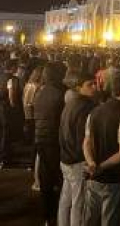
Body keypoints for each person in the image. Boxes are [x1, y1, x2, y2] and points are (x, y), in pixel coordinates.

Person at [83, 74, 120, 226]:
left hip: (93, 175)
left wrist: (92, 164)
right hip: (115, 177)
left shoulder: (94, 112)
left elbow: (86, 142)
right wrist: (100, 168)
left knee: (90, 218)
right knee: (111, 219)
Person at [58, 72, 97, 226]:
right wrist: (88, 159)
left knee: (66, 199)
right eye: (90, 84)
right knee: (78, 203)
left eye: (94, 83)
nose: (94, 87)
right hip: (77, 160)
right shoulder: (86, 107)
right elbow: (85, 137)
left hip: (65, 158)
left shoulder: (70, 103)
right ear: (79, 87)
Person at [34, 62, 66, 226]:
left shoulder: (40, 91)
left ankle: (47, 216)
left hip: (40, 138)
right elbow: (61, 120)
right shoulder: (59, 94)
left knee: (46, 178)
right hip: (53, 140)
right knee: (60, 178)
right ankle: (60, 215)